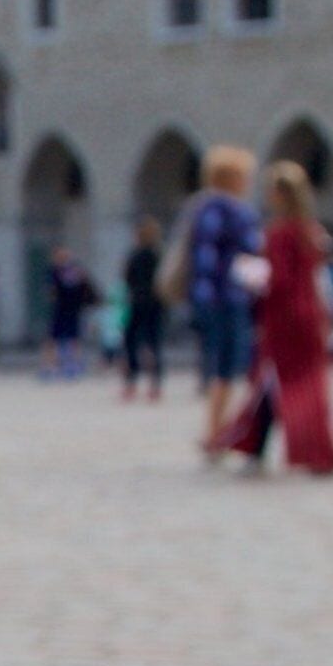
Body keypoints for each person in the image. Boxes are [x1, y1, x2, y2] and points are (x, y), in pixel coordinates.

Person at [212, 162, 333, 476]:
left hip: (284, 318)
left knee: (272, 383)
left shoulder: (280, 234)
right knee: (307, 386)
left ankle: (258, 448)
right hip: (310, 315)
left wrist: (252, 277)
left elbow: (279, 280)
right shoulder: (311, 231)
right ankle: (310, 449)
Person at [180, 147, 264, 460]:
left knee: (221, 366)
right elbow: (237, 256)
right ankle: (215, 433)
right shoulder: (229, 210)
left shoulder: (203, 208)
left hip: (212, 298)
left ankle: (216, 430)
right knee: (227, 366)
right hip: (228, 298)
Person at [118, 220, 168, 401]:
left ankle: (131, 383)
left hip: (137, 303)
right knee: (154, 344)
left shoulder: (135, 255)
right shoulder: (159, 255)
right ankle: (156, 385)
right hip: (156, 304)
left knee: (132, 343)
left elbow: (126, 278)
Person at [43, 248, 94, 380]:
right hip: (68, 309)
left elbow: (51, 292)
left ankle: (66, 366)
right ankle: (59, 366)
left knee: (66, 339)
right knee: (61, 339)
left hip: (66, 309)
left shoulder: (56, 272)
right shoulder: (72, 271)